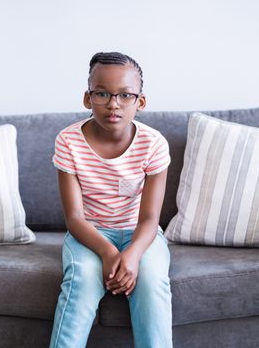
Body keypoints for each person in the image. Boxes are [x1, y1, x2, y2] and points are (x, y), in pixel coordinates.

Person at [49, 52, 173, 348]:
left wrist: (131, 255)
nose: (113, 103)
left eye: (125, 95)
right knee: (82, 279)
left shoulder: (153, 144)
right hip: (89, 234)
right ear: (87, 98)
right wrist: (107, 252)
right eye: (102, 93)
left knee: (152, 279)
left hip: (140, 233)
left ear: (140, 102)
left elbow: (149, 219)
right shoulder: (68, 141)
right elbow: (75, 218)